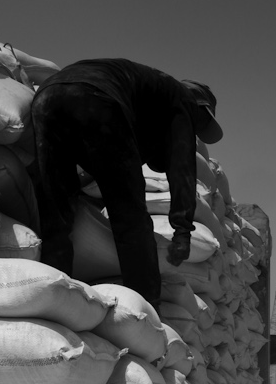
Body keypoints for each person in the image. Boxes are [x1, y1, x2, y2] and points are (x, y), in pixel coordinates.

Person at [29, 58, 223, 306]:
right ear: (200, 109)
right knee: (130, 216)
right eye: (199, 126)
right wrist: (182, 232)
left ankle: (54, 298)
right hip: (97, 98)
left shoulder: (149, 93)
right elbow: (181, 168)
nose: (194, 132)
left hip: (48, 96)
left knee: (56, 209)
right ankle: (146, 307)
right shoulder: (182, 100)